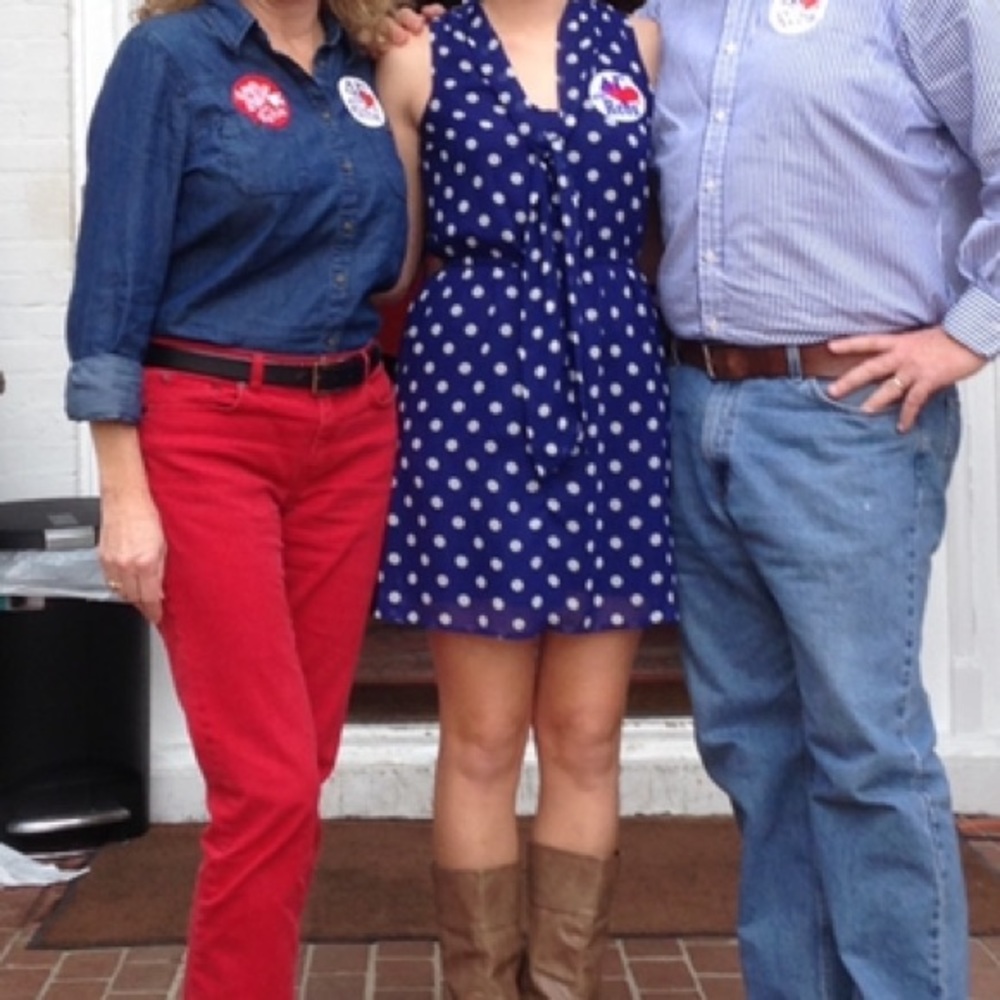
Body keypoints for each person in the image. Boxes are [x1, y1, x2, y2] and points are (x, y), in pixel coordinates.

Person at [637, 0, 1000, 996]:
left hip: (843, 414)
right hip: (698, 402)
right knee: (754, 750)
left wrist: (966, 332)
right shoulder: (675, 8)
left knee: (864, 749)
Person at [63, 0, 417, 996]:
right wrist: (122, 490)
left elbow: (384, 262)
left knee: (294, 768)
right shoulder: (168, 59)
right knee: (264, 781)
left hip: (349, 434)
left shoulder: (358, 65)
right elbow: (112, 281)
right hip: (208, 430)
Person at [374, 0, 677, 995]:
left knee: (587, 731)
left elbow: (664, 229)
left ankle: (560, 983)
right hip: (470, 401)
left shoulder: (637, 41)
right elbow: (394, 264)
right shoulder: (416, 56)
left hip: (616, 397)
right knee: (485, 734)